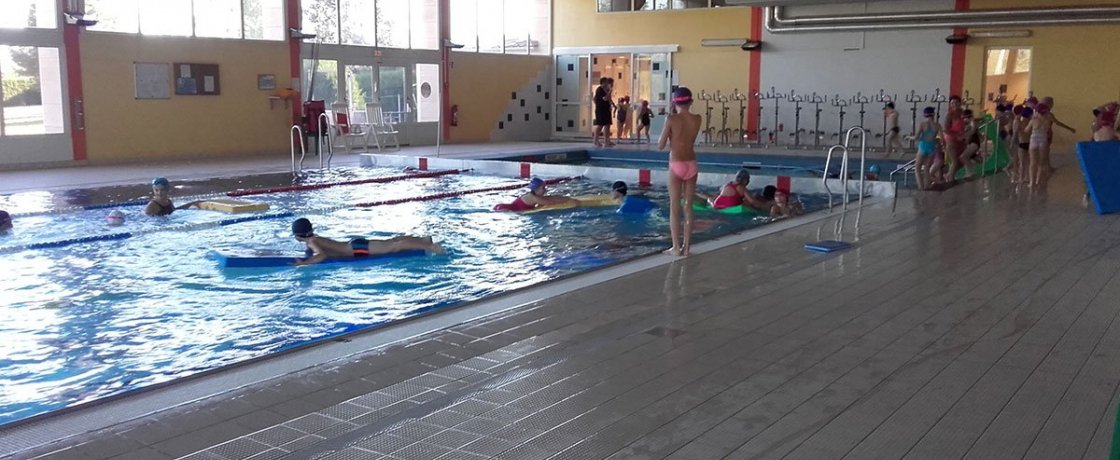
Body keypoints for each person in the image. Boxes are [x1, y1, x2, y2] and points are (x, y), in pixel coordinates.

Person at [290, 218, 443, 266]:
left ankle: (430, 246)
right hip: (354, 244)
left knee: (394, 246)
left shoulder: (312, 242)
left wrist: (305, 263)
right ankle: (423, 240)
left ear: (297, 236)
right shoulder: (314, 238)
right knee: (392, 241)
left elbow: (321, 255)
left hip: (357, 249)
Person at [659, 86, 702, 257]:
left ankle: (676, 247)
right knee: (688, 207)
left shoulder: (671, 119)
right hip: (692, 164)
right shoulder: (697, 119)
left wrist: (670, 131)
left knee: (674, 206)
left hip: (676, 164)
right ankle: (687, 247)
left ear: (674, 102)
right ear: (691, 102)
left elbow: (661, 145)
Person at [493, 177, 579, 212]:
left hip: (503, 207)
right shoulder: (534, 198)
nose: (545, 190)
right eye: (543, 188)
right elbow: (550, 201)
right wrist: (567, 199)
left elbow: (548, 198)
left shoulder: (531, 196)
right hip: (504, 209)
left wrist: (563, 197)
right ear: (537, 189)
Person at [943, 96, 975, 183]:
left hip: (961, 141)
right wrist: (956, 135)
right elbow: (945, 129)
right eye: (952, 103)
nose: (954, 105)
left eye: (956, 102)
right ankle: (950, 179)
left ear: (960, 103)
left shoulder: (964, 113)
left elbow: (970, 123)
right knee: (955, 161)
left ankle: (949, 176)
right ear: (950, 104)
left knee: (960, 162)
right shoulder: (949, 115)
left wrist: (967, 133)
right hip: (951, 140)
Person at [1028, 103, 1061, 187]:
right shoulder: (1048, 119)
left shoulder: (1034, 120)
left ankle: (1031, 182)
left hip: (1034, 140)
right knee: (1041, 163)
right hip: (1043, 140)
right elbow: (1057, 123)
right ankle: (1037, 181)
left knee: (1033, 163)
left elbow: (1026, 130)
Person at [914, 106, 943, 190]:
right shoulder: (938, 125)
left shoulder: (922, 124)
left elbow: (916, 137)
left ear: (924, 115)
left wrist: (909, 137)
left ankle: (921, 187)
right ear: (933, 114)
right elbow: (942, 139)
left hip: (923, 146)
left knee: (917, 168)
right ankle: (926, 186)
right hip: (932, 147)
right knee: (927, 169)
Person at [1013, 106, 1033, 184]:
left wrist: (1012, 142)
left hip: (1022, 143)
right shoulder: (1030, 122)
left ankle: (1021, 179)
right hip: (1029, 143)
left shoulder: (1019, 122)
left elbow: (1016, 133)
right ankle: (1027, 178)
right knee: (1028, 162)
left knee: (1022, 163)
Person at [592, 77, 614, 147]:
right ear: (603, 83)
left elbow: (608, 99)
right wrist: (610, 91)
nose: (608, 84)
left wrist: (611, 105)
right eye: (607, 82)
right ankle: (595, 141)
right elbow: (605, 98)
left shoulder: (605, 89)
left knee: (607, 125)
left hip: (606, 110)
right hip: (601, 110)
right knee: (600, 125)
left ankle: (607, 141)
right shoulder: (599, 89)